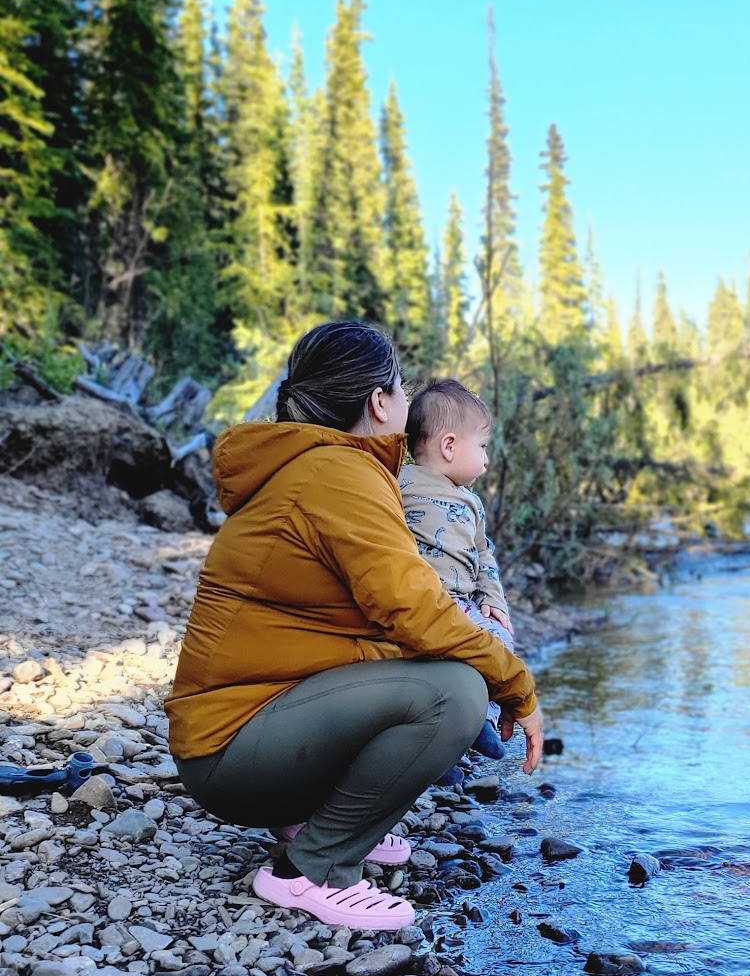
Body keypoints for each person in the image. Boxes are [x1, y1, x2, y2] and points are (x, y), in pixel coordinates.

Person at [165, 320, 543, 934]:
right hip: (230, 752)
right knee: (457, 692)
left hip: (241, 729)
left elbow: (372, 617)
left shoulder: (322, 468)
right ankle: (311, 868)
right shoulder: (338, 474)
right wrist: (515, 684)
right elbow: (416, 610)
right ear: (378, 402)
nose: (405, 407)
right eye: (400, 391)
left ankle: (309, 820)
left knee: (438, 671)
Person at [400, 378, 512, 762]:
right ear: (449, 446)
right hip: (420, 604)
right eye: (481, 447)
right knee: (434, 673)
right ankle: (439, 746)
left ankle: (481, 723)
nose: (486, 458)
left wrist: (492, 597)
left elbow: (485, 555)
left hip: (462, 604)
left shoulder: (472, 503)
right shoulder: (399, 485)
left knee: (498, 640)